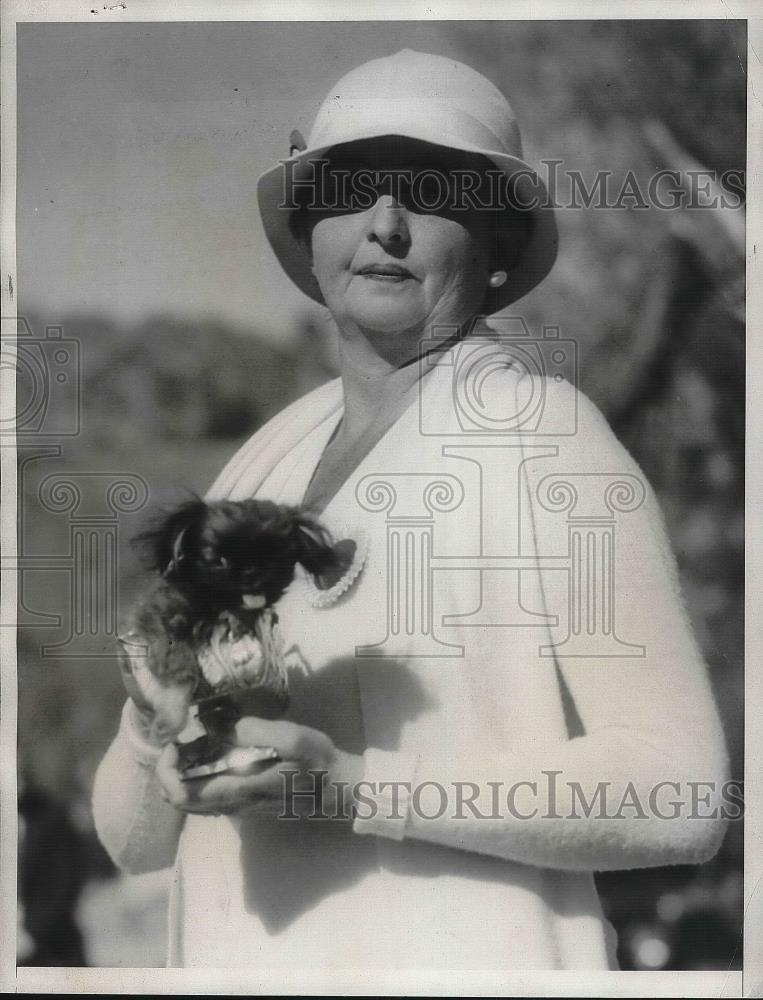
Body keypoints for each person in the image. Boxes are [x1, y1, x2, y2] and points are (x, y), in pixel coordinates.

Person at [93, 50, 728, 972]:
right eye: (353, 188)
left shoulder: (543, 435)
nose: (386, 225)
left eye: (430, 196)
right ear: (310, 230)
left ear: (500, 249)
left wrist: (351, 790)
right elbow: (133, 843)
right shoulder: (258, 462)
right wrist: (156, 723)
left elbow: (684, 793)